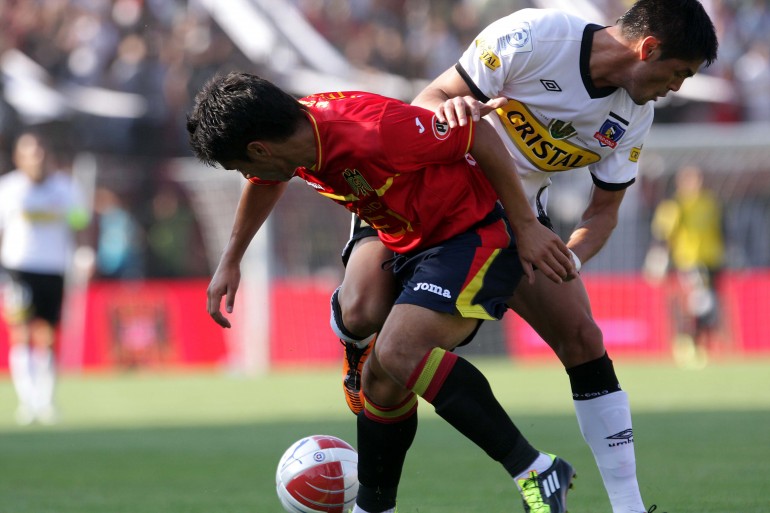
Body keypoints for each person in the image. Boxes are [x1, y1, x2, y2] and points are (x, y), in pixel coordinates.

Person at [332, 1, 718, 512]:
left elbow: (602, 214)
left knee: (583, 336)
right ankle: (357, 356)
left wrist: (568, 261)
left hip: (510, 224)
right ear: (648, 50)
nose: (677, 88)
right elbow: (431, 97)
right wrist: (452, 110)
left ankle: (628, 505)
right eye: (678, 73)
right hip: (424, 198)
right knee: (368, 328)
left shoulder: (632, 118)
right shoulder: (533, 37)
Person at [188, 72, 581, 513]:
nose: (246, 175)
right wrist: (231, 258)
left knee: (397, 352)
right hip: (405, 236)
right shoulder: (292, 139)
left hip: (471, 233)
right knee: (379, 378)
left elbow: (479, 136)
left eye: (241, 165)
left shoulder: (373, 130)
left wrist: (527, 226)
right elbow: (266, 180)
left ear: (259, 150)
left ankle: (535, 470)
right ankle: (373, 507)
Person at [0, 130, 90, 425]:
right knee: (22, 332)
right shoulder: (9, 189)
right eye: (28, 152)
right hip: (18, 267)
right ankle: (28, 403)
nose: (35, 157)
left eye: (39, 151)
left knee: (48, 336)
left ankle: (47, 401)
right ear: (19, 157)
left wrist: (83, 251)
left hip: (53, 269)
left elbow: (79, 222)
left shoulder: (65, 189)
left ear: (47, 154)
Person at [647, 164, 725, 368]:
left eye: (697, 179)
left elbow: (721, 228)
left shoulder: (710, 202)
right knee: (699, 302)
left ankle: (696, 343)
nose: (695, 183)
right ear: (681, 183)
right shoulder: (674, 205)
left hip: (712, 260)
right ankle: (687, 343)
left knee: (708, 305)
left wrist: (730, 251)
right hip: (688, 261)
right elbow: (663, 233)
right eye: (690, 179)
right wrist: (659, 256)